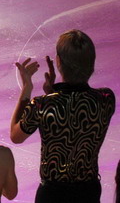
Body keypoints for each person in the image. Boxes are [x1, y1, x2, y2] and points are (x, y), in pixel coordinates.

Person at [10, 29, 115, 203]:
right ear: (92, 63)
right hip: (88, 194)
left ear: (58, 61)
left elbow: (15, 136)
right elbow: (74, 110)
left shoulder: (43, 105)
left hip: (52, 195)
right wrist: (53, 92)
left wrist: (27, 89)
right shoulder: (105, 99)